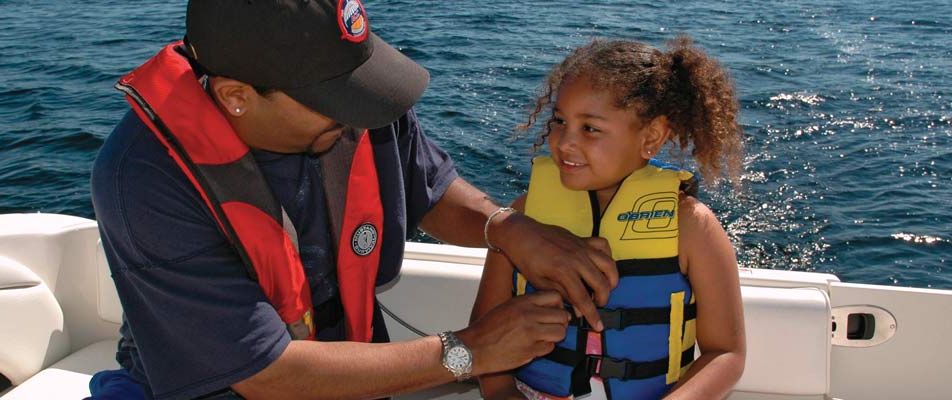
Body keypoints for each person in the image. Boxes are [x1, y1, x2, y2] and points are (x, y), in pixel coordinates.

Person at [89, 1, 621, 399]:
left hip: (354, 357)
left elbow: (430, 191)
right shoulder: (142, 178)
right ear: (236, 96)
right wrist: (472, 350)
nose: (362, 112)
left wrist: (506, 227)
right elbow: (261, 371)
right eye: (335, 99)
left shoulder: (361, 101)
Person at [471, 35, 747, 400]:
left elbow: (726, 352)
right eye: (558, 120)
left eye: (590, 128)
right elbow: (483, 329)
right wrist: (501, 392)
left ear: (651, 137)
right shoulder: (522, 218)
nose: (564, 142)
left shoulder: (693, 228)